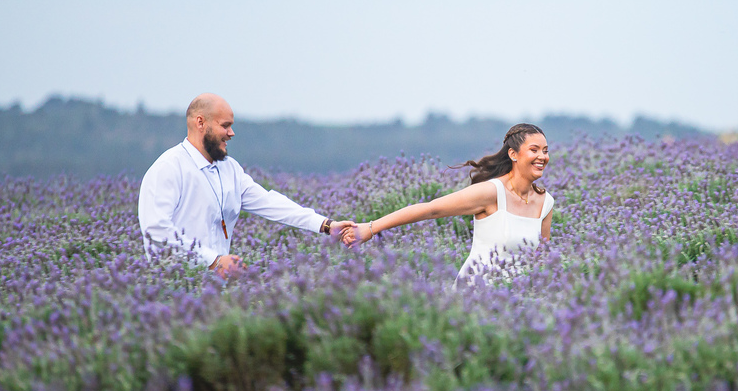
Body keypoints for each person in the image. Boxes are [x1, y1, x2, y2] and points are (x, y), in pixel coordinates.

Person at [138, 93, 354, 275]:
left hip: (218, 289)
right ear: (200, 123)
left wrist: (326, 225)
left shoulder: (229, 169)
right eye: (225, 126)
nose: (231, 133)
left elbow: (270, 203)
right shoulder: (168, 168)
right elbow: (156, 230)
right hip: (171, 290)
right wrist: (213, 261)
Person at [344, 123, 554, 279]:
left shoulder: (545, 203)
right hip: (475, 295)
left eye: (545, 151)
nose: (542, 157)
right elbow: (430, 210)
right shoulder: (491, 192)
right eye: (534, 150)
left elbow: (541, 259)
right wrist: (370, 229)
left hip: (516, 304)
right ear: (513, 154)